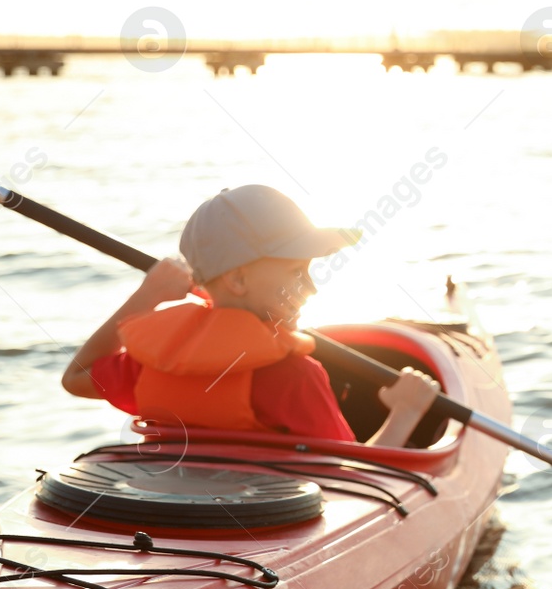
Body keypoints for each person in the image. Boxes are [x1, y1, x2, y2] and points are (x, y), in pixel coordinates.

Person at [62, 185, 439, 446]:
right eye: (296, 272)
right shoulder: (295, 376)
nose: (311, 287)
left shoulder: (152, 363)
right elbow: (355, 479)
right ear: (238, 278)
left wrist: (147, 296)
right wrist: (405, 413)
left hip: (175, 516)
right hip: (268, 528)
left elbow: (76, 377)